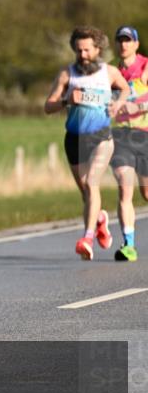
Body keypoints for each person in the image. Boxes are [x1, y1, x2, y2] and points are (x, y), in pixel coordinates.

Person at [44, 26, 129, 260]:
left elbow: (125, 88)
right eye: (79, 50)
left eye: (87, 50)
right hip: (74, 139)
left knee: (92, 184)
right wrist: (65, 100)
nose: (82, 55)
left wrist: (118, 103)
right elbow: (47, 106)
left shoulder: (108, 72)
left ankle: (87, 238)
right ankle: (100, 219)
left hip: (101, 137)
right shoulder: (67, 74)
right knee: (86, 194)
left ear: (98, 49)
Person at [109, 25, 148, 262]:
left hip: (145, 134)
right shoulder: (111, 73)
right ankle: (129, 245)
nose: (124, 44)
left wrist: (139, 107)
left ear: (136, 44)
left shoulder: (145, 67)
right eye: (120, 40)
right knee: (124, 187)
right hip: (121, 136)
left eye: (128, 40)